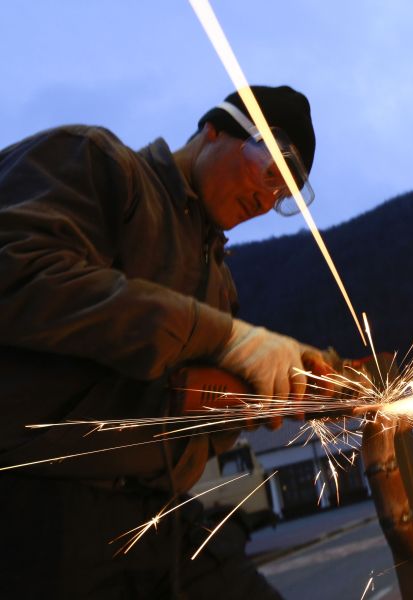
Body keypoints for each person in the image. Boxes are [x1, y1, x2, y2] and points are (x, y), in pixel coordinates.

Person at [0, 85, 330, 598]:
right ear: (215, 128)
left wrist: (249, 401)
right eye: (270, 173)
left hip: (159, 519)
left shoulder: (220, 284)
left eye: (283, 196)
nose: (267, 200)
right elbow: (17, 270)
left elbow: (189, 413)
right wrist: (223, 338)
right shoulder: (101, 166)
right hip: (42, 515)